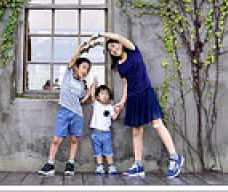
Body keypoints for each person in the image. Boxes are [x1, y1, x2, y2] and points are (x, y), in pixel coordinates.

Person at [90, 31, 185, 178]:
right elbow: (127, 84)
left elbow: (119, 37)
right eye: (111, 50)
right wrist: (122, 101)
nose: (114, 50)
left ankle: (175, 157)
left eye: (114, 46)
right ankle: (138, 165)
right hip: (133, 98)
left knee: (157, 124)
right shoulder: (120, 66)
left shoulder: (134, 51)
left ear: (120, 44)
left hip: (146, 92)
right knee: (136, 131)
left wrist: (100, 34)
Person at [37, 40, 93, 177]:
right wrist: (81, 46)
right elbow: (73, 58)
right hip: (64, 111)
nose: (85, 71)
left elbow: (82, 100)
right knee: (57, 139)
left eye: (88, 69)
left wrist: (91, 89)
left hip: (77, 114)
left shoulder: (82, 85)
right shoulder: (68, 74)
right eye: (84, 67)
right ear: (76, 67)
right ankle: (50, 164)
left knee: (74, 139)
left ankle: (70, 163)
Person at [88, 82, 119, 174]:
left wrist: (117, 111)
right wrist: (94, 84)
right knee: (97, 151)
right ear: (98, 97)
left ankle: (111, 166)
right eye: (102, 94)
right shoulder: (96, 104)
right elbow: (92, 96)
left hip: (106, 133)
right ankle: (100, 166)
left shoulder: (110, 107)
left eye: (106, 94)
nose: (105, 96)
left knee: (108, 149)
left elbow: (114, 117)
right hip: (96, 133)